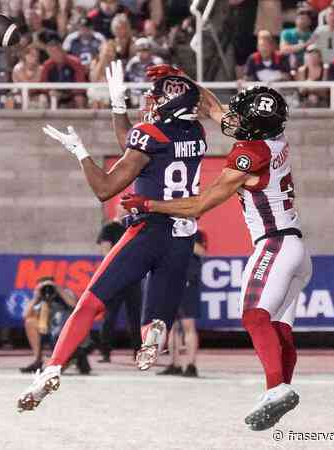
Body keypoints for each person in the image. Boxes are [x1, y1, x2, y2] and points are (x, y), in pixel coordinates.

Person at [121, 68, 312, 432]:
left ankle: (275, 389)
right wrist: (184, 81)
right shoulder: (273, 137)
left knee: (254, 317)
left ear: (255, 125)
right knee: (278, 327)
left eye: (242, 115)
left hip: (273, 242)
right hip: (297, 248)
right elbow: (213, 107)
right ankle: (280, 387)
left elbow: (199, 205)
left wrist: (149, 205)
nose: (232, 117)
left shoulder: (249, 153)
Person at [17, 64, 212, 412]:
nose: (150, 101)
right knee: (156, 315)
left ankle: (52, 368)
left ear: (168, 105)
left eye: (156, 97)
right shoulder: (195, 132)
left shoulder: (151, 135)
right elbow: (135, 147)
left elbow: (105, 188)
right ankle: (154, 330)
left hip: (148, 229)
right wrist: (118, 106)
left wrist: (80, 152)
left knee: (89, 305)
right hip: (182, 236)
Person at [95, 205, 142, 363]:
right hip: (115, 277)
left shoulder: (135, 226)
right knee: (110, 316)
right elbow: (106, 252)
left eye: (129, 208)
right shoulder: (109, 229)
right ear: (118, 209)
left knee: (135, 317)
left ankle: (138, 352)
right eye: (124, 207)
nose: (127, 210)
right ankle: (105, 352)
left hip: (134, 278)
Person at [158, 229, 206, 377]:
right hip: (169, 282)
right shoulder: (167, 232)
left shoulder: (196, 233)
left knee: (188, 325)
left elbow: (200, 251)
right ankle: (175, 363)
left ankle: (191, 365)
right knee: (171, 327)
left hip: (187, 282)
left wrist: (181, 238)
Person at [20, 276, 91, 375]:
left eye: (49, 286)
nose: (47, 289)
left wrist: (58, 289)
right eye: (43, 287)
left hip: (70, 335)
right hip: (53, 333)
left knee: (56, 370)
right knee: (30, 322)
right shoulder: (40, 297)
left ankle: (77, 357)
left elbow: (74, 305)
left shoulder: (65, 293)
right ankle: (38, 361)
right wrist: (36, 297)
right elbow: (25, 315)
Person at [40, 36, 86, 108]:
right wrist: (49, 91)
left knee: (79, 98)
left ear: (62, 50)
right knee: (42, 98)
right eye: (51, 53)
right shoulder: (47, 65)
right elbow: (43, 84)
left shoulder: (75, 62)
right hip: (54, 94)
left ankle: (83, 119)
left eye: (55, 51)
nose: (54, 55)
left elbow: (80, 85)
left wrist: (66, 94)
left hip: (72, 94)